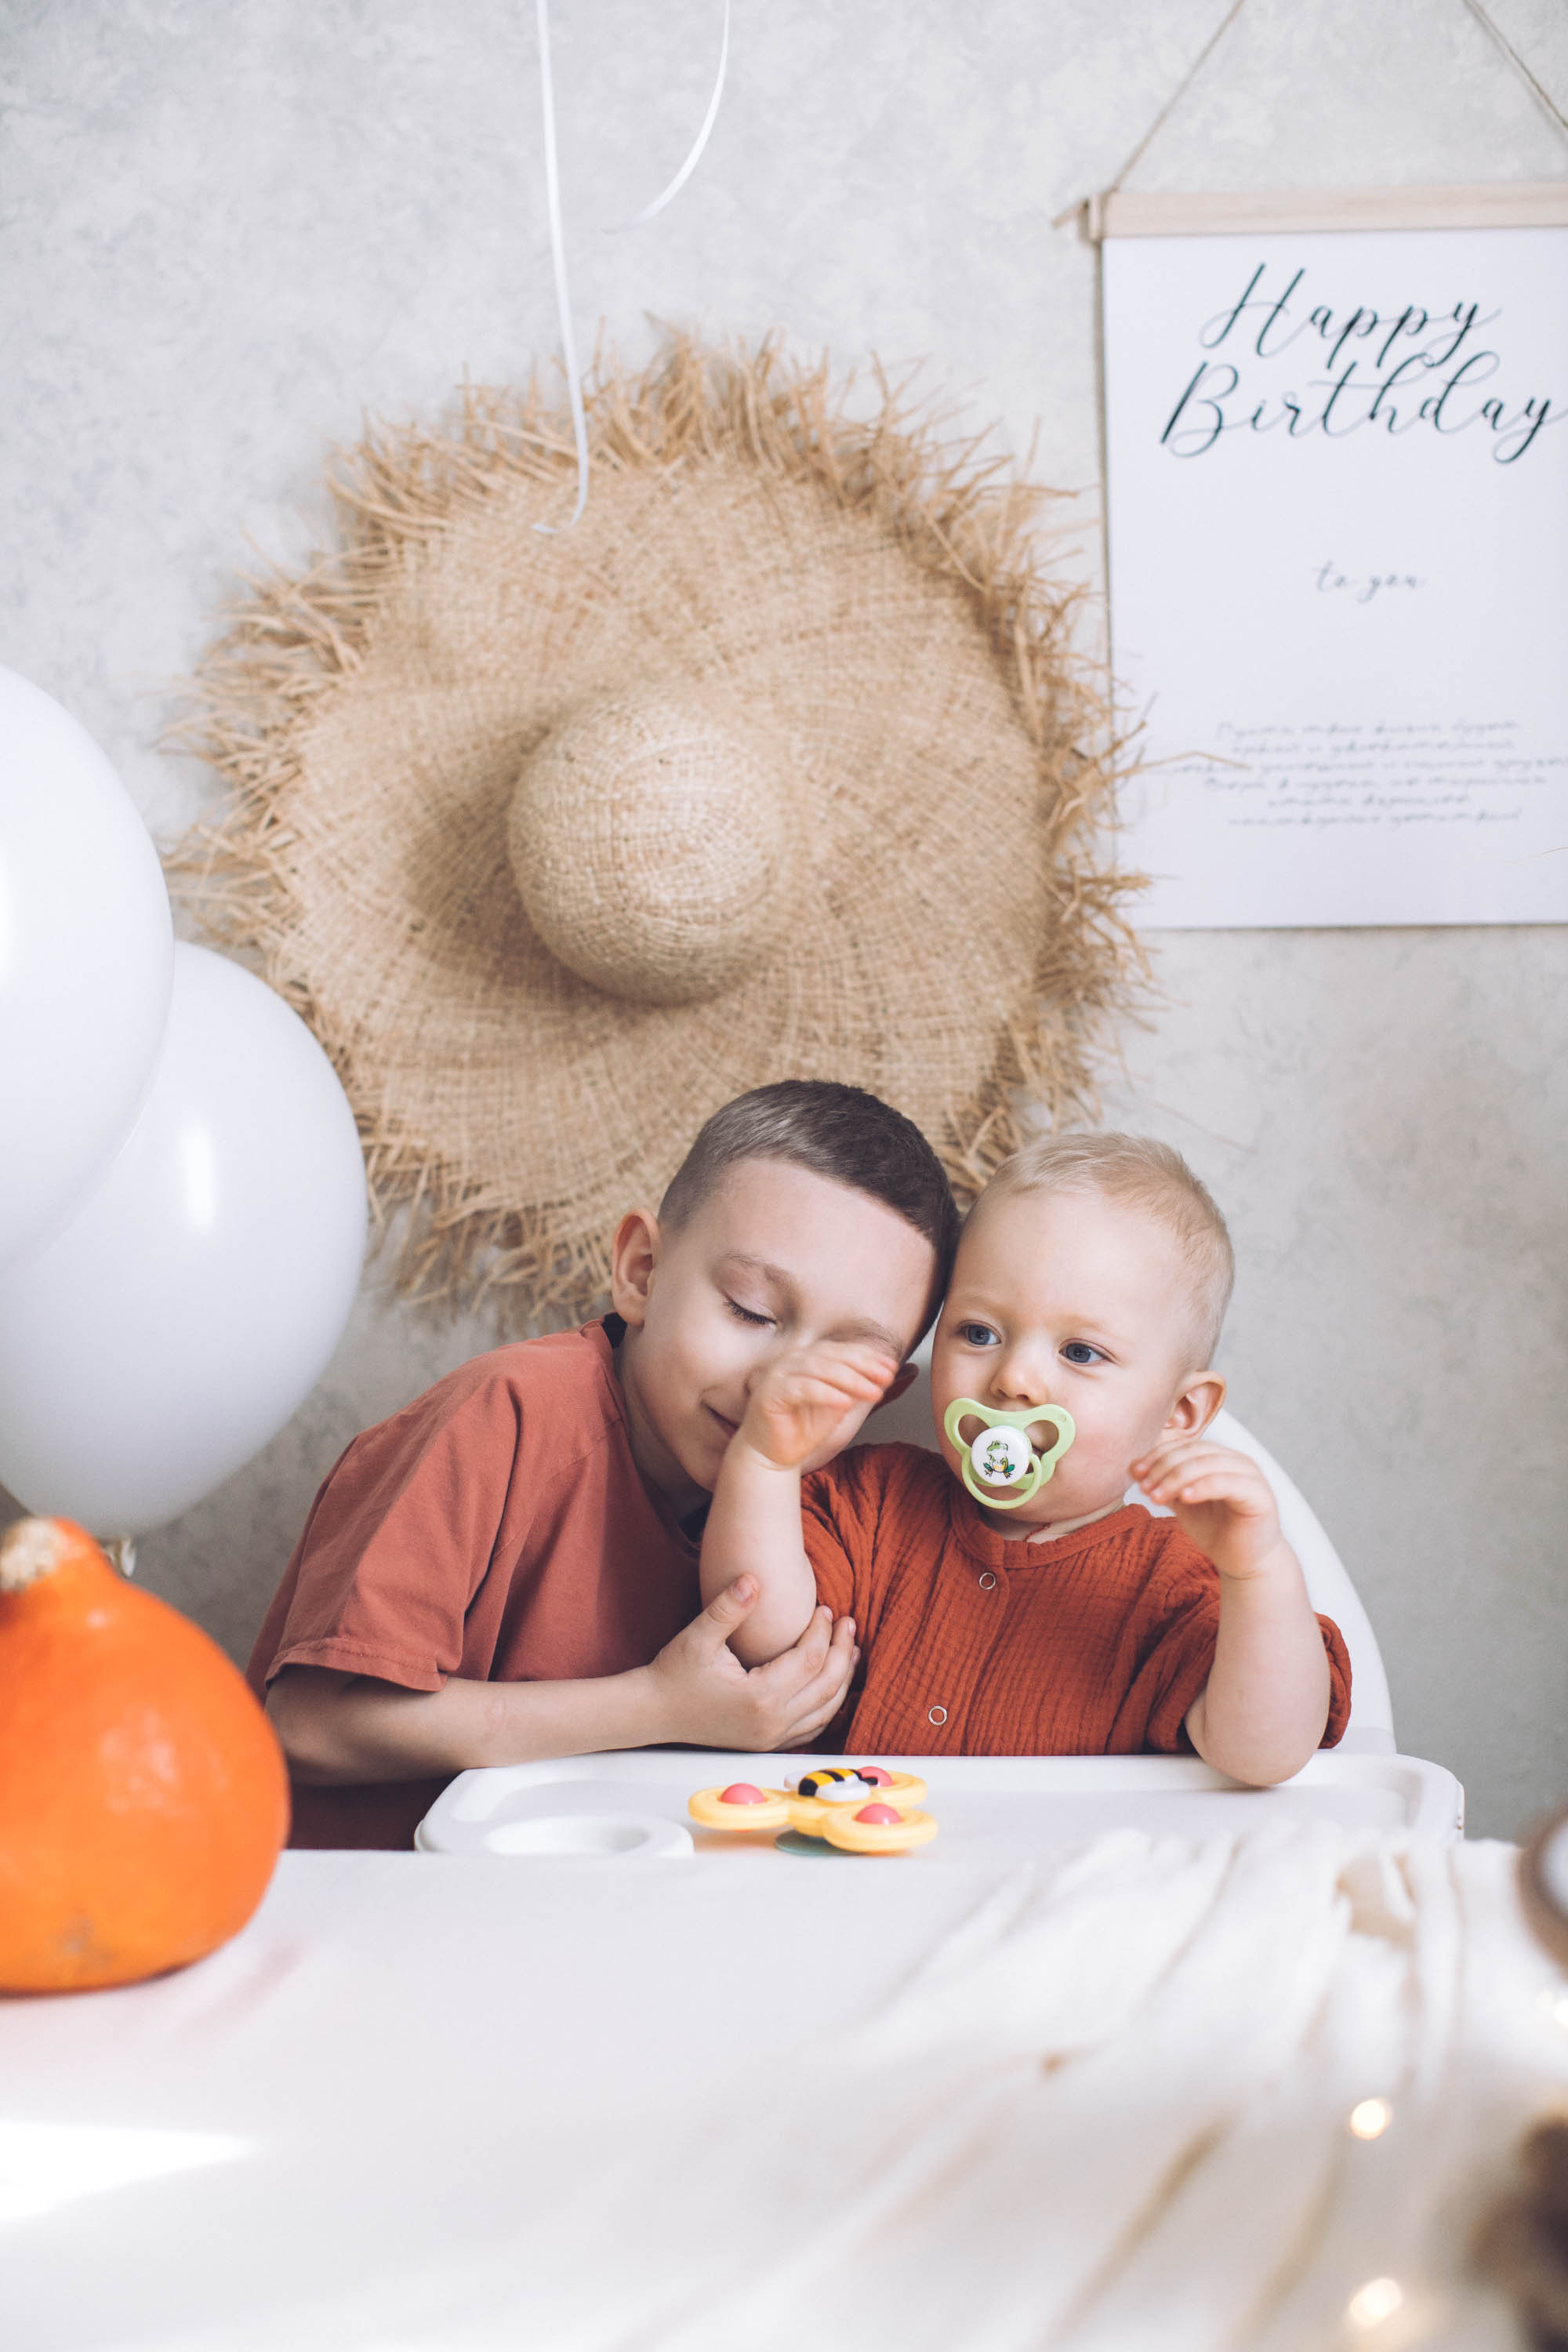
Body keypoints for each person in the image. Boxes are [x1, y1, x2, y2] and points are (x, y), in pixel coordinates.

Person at [250, 1081, 961, 1847]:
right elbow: (307, 1726)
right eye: (750, 1312)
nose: (777, 1388)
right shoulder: (504, 1417)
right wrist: (656, 1704)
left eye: (842, 1368)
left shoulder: (834, 1513)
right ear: (641, 1271)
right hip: (374, 1903)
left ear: (884, 1395)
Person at [699, 1132, 1351, 1783]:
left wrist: (1256, 1572)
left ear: (1178, 1417)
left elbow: (1261, 1755)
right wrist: (764, 1463)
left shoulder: (1180, 1585)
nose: (1015, 1378)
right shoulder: (870, 1502)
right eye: (979, 1333)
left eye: (1080, 1353)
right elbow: (760, 1640)